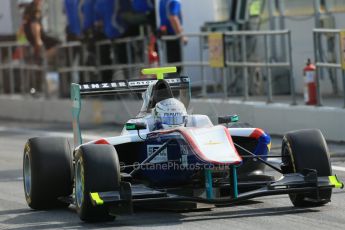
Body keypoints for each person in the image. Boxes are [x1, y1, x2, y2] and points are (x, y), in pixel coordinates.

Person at [159, 0, 187, 74]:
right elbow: (173, 17)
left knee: (171, 67)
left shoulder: (163, 1)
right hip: (173, 36)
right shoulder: (174, 1)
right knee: (176, 68)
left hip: (165, 35)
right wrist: (181, 35)